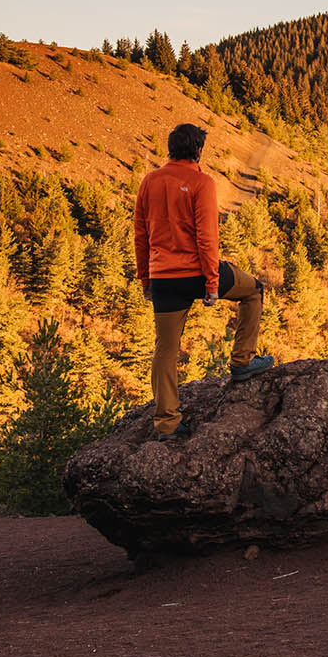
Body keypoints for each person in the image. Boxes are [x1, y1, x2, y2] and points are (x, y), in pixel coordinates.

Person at [134, 123, 273, 440]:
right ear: (198, 151)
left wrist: (146, 280)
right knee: (254, 291)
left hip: (163, 279)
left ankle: (167, 423)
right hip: (196, 273)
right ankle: (242, 362)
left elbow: (140, 236)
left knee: (165, 349)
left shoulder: (149, 182)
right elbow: (207, 238)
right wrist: (212, 283)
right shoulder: (201, 183)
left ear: (170, 149)